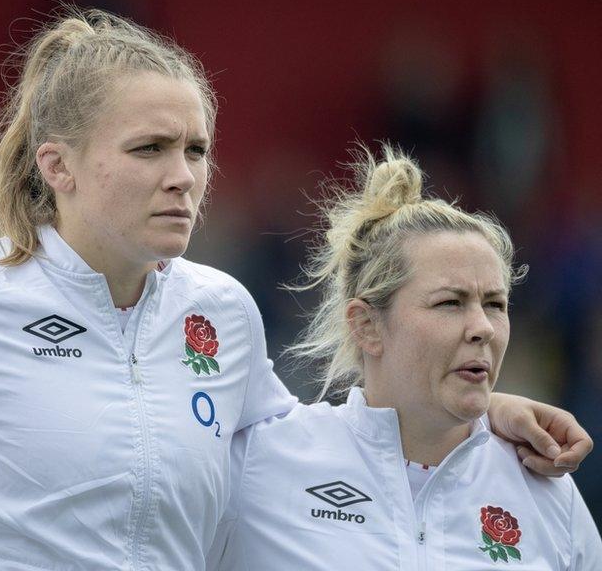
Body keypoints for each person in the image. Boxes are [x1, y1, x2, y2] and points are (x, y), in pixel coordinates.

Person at [0, 8, 592, 571]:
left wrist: (480, 412)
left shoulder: (221, 311)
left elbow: (324, 449)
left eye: (196, 151)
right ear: (56, 165)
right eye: (150, 150)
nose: (183, 178)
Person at [206, 147, 601, 569]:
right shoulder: (263, 461)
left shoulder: (549, 494)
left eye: (495, 304)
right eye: (450, 302)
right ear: (367, 326)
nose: (482, 327)